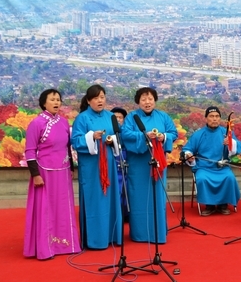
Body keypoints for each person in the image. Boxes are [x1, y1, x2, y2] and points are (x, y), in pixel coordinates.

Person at [24, 88, 81, 259]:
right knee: (46, 209)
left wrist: (71, 168)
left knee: (63, 208)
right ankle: (46, 247)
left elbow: (67, 147)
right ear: (44, 103)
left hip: (63, 172)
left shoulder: (64, 122)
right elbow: (30, 151)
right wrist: (35, 175)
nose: (56, 102)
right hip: (44, 173)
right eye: (52, 99)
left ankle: (66, 245)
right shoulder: (36, 123)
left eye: (58, 99)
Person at [121, 87, 178, 243]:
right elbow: (125, 134)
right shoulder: (132, 117)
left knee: (157, 197)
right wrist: (144, 135)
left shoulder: (163, 116)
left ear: (155, 100)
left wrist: (163, 136)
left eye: (150, 99)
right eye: (143, 99)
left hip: (157, 163)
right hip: (138, 164)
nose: (147, 102)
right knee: (138, 198)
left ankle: (157, 232)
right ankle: (140, 234)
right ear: (138, 102)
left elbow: (173, 133)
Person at [71, 85, 122, 249]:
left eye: (102, 97)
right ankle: (95, 240)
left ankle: (112, 236)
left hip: (109, 165)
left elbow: (119, 136)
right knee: (94, 200)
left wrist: (111, 140)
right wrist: (92, 136)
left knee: (110, 199)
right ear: (88, 101)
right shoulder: (82, 118)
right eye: (95, 98)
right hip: (91, 167)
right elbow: (75, 141)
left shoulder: (111, 116)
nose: (100, 101)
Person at [181, 106, 241, 216]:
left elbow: (239, 146)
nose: (214, 119)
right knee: (202, 179)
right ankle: (209, 205)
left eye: (217, 116)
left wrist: (231, 143)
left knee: (229, 177)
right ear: (206, 118)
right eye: (211, 116)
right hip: (203, 167)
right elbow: (187, 149)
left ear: (220, 118)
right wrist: (188, 155)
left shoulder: (225, 132)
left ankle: (223, 205)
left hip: (222, 167)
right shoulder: (198, 134)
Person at [111, 107, 129, 222]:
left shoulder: (127, 131)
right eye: (115, 117)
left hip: (126, 160)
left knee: (126, 187)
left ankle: (126, 214)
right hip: (114, 162)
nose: (118, 120)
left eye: (120, 117)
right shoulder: (108, 131)